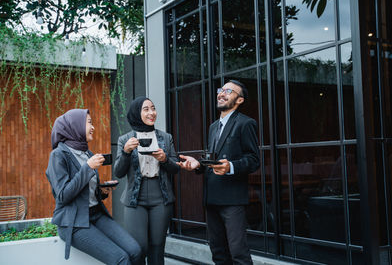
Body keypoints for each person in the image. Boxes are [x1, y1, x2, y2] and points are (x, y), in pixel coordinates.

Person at [177, 80, 260, 265]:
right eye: (221, 90)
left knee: (238, 253)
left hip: (233, 200)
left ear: (239, 100)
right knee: (218, 253)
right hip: (211, 198)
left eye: (228, 91)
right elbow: (213, 159)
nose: (221, 93)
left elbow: (254, 160)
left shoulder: (246, 123)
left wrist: (230, 167)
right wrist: (198, 164)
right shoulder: (213, 127)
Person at [45, 109, 142, 265]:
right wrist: (88, 168)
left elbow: (85, 190)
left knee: (136, 251)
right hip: (74, 222)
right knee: (121, 259)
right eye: (89, 122)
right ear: (75, 125)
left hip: (96, 214)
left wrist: (102, 190)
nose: (93, 127)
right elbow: (63, 196)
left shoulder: (87, 153)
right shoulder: (58, 155)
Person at [113, 97, 180, 265]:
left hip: (161, 197)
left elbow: (176, 168)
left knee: (157, 246)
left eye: (153, 108)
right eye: (146, 109)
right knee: (138, 247)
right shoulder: (125, 139)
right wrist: (126, 152)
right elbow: (119, 172)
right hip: (135, 198)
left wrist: (165, 159)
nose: (151, 113)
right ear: (137, 112)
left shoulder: (165, 137)